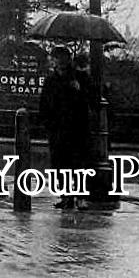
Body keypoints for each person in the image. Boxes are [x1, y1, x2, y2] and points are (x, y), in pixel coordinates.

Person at [39, 46, 91, 209]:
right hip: (57, 130)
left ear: (68, 59)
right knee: (60, 164)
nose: (59, 61)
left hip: (76, 128)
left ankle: (81, 197)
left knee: (78, 164)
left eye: (62, 57)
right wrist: (49, 125)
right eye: (56, 58)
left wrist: (79, 90)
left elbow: (89, 100)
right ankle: (66, 196)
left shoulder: (80, 77)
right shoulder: (50, 80)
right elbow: (44, 105)